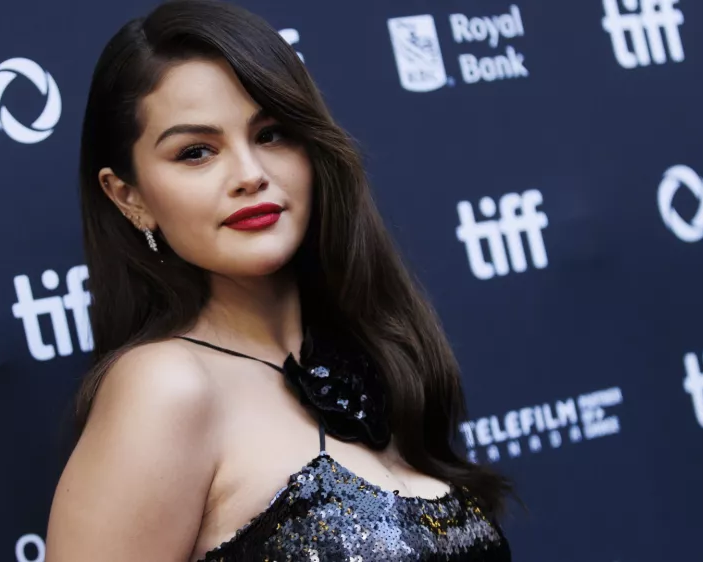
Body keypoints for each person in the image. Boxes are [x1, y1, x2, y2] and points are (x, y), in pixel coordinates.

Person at [46, 1, 514, 560]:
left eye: (271, 134)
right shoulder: (166, 388)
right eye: (196, 152)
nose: (250, 175)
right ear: (130, 197)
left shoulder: (374, 363)